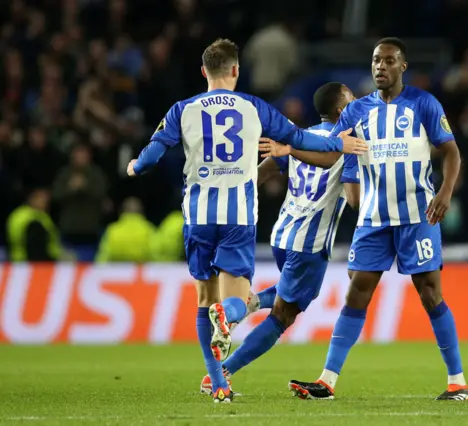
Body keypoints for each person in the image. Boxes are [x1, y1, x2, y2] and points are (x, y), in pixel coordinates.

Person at [126, 38, 367, 404]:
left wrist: (135, 166)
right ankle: (236, 316)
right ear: (237, 70)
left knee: (205, 301)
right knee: (258, 307)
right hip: (246, 219)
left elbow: (153, 153)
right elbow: (300, 140)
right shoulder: (255, 108)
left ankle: (218, 378)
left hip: (210, 218)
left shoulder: (182, 109)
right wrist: (341, 147)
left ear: (204, 71)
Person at [286, 38, 468, 401]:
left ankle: (458, 382)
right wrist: (290, 148)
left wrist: (445, 192)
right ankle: (327, 381)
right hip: (373, 219)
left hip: (418, 215)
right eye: (375, 61)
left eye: (388, 60)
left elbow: (451, 151)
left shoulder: (424, 104)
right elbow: (332, 154)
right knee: (357, 292)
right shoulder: (356, 113)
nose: (380, 67)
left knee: (431, 294)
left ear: (403, 66)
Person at [199, 82, 359, 395]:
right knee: (283, 316)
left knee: (290, 294)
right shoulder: (346, 145)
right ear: (341, 110)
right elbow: (354, 200)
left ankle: (243, 306)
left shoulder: (300, 137)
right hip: (309, 243)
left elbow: (265, 169)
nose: (356, 104)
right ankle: (221, 370)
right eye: (351, 99)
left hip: (282, 234)